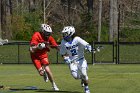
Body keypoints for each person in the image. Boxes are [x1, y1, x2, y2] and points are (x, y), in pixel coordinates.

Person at [59, 26, 92, 93]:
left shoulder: (77, 39)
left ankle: (86, 87)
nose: (64, 35)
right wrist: (65, 58)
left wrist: (88, 47)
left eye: (66, 33)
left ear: (71, 33)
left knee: (84, 75)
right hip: (72, 62)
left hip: (81, 60)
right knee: (76, 76)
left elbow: (86, 44)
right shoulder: (63, 42)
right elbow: (62, 53)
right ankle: (82, 79)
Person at [29, 24, 59, 91]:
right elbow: (31, 49)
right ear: (42, 31)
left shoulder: (49, 38)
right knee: (41, 73)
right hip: (35, 56)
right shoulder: (36, 35)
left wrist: (62, 50)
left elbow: (55, 46)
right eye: (47, 33)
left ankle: (53, 85)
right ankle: (43, 72)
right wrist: (38, 47)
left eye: (49, 33)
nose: (48, 34)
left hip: (43, 55)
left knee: (48, 70)